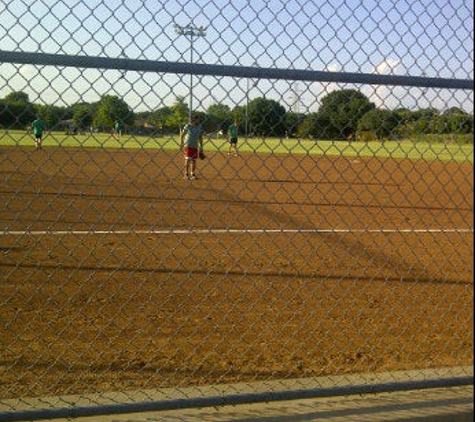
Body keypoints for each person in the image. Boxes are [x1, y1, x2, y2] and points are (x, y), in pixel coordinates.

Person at [180, 115, 204, 180]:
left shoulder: (199, 127)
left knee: (194, 160)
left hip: (195, 146)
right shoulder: (188, 126)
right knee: (187, 159)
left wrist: (201, 146)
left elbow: (200, 137)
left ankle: (192, 174)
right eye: (198, 119)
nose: (199, 121)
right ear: (194, 119)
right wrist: (181, 143)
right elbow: (182, 135)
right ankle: (186, 174)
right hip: (188, 145)